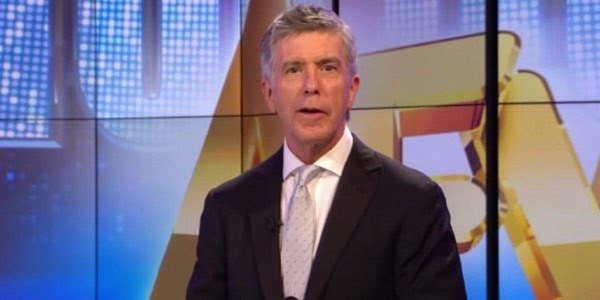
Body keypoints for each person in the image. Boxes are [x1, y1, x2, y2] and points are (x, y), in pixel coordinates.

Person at [187, 5, 466, 300]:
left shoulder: (412, 201)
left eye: (327, 68)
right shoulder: (228, 206)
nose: (311, 86)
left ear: (351, 89)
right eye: (293, 69)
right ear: (269, 94)